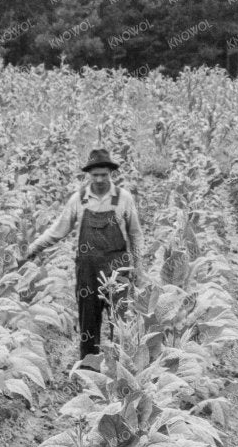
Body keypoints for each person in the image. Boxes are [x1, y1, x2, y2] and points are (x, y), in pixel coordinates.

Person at [23, 148, 147, 358]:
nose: (99, 179)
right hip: (88, 271)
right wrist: (33, 249)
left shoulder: (123, 199)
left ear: (111, 173)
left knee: (121, 320)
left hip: (118, 267)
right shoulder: (78, 199)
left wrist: (139, 267)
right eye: (95, 175)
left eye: (104, 174)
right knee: (88, 321)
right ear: (88, 175)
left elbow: (135, 234)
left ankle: (123, 367)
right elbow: (57, 230)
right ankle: (90, 367)